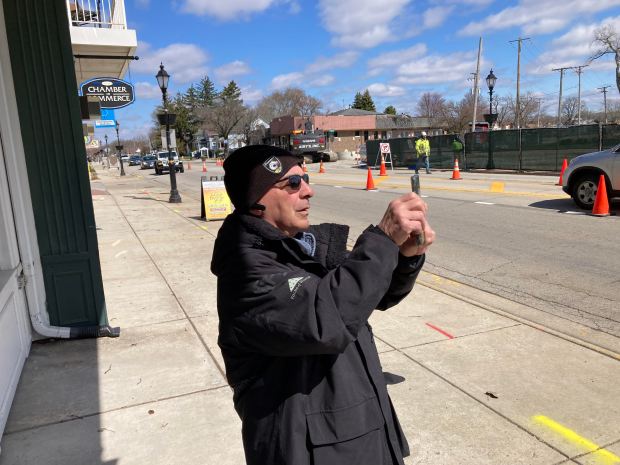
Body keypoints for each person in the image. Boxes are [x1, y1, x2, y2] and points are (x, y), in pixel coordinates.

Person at [211, 145, 435, 465]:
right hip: (308, 452)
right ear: (256, 201)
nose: (308, 191)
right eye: (292, 184)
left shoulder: (304, 249)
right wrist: (383, 239)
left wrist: (403, 259)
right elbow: (325, 320)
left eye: (304, 179)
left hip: (359, 438)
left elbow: (368, 296)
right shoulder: (247, 272)